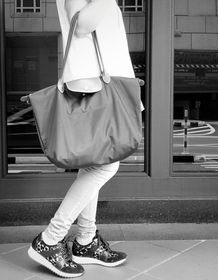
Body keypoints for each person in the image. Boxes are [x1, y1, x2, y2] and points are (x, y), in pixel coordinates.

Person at [27, 0, 136, 277]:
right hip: (92, 82)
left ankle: (86, 241)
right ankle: (50, 239)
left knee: (96, 163)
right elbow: (82, 24)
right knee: (106, 164)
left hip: (102, 79)